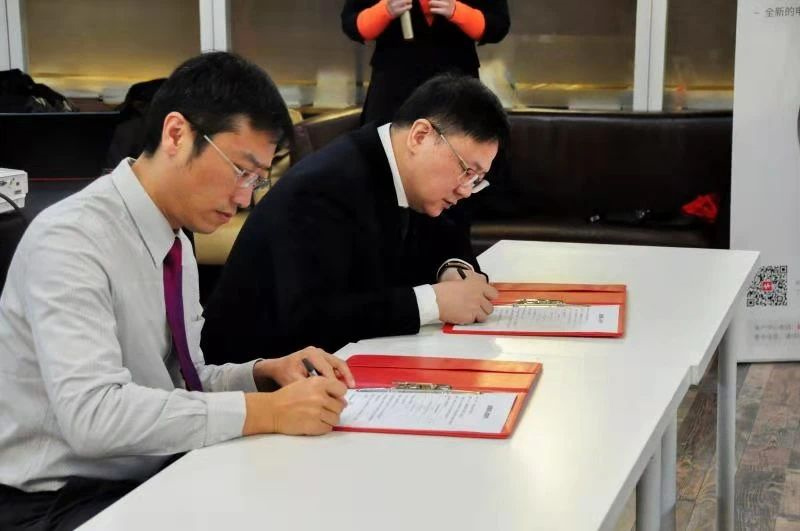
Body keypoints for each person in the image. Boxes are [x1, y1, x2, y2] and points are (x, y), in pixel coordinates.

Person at [0, 52, 354, 531]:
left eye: (257, 180)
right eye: (240, 170)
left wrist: (262, 376)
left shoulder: (173, 238)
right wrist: (265, 411)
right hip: (56, 501)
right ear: (176, 134)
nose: (244, 198)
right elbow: (94, 416)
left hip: (145, 472)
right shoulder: (71, 239)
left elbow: (178, 387)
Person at [201, 74, 508, 364]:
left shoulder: (415, 177)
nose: (465, 189)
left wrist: (453, 270)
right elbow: (312, 318)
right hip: (255, 372)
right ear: (420, 136)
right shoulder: (325, 187)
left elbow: (447, 236)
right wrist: (433, 302)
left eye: (477, 178)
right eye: (466, 170)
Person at [341, 0, 509, 125]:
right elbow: (351, 24)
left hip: (458, 86)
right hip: (393, 86)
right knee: (386, 154)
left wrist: (458, 12)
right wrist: (384, 11)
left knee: (459, 151)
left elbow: (498, 26)